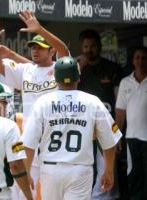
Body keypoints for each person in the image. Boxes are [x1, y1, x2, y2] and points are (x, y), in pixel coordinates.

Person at [0, 11, 69, 199]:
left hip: (55, 139)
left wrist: (40, 29)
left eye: (40, 47)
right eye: (33, 47)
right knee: (24, 192)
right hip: (30, 139)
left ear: (51, 51)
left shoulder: (60, 68)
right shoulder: (26, 70)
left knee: (53, 193)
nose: (35, 50)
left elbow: (64, 49)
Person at [22, 56, 122, 200]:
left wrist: (26, 172)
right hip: (79, 169)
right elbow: (110, 140)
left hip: (50, 169)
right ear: (78, 78)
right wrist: (108, 170)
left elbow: (28, 143)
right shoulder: (93, 101)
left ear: (56, 79)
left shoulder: (42, 102)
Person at [77, 29, 125, 200]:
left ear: (100, 47)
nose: (89, 50)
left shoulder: (113, 68)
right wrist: (79, 68)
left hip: (107, 125)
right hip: (83, 127)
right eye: (85, 46)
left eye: (92, 46)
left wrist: (117, 132)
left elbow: (120, 104)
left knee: (106, 166)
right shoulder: (77, 71)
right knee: (83, 166)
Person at [115, 46, 147, 200]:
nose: (141, 61)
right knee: (134, 177)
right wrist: (116, 137)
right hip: (132, 139)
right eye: (137, 58)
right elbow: (120, 114)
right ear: (133, 61)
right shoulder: (125, 82)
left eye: (144, 58)